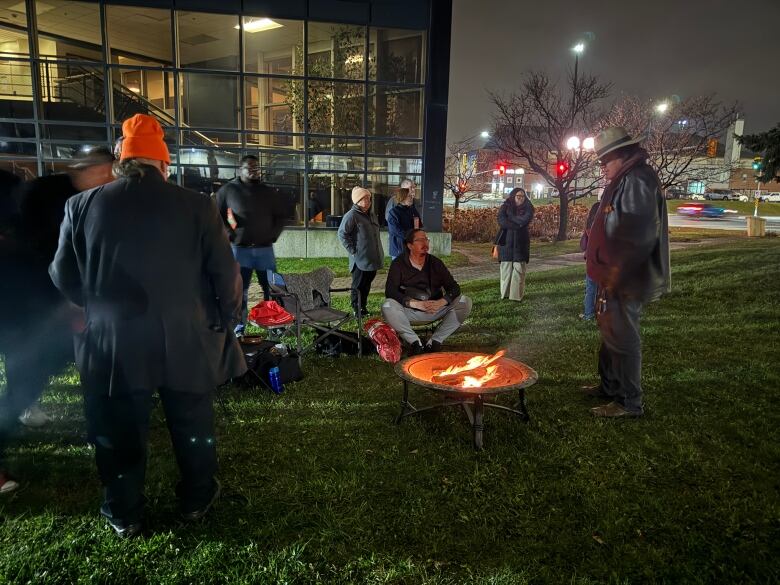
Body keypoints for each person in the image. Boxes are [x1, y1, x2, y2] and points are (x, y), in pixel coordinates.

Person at [49, 114, 246, 537]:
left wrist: (92, 306)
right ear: (164, 163)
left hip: (113, 343)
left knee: (119, 430)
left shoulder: (81, 205)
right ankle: (196, 498)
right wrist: (226, 319)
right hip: (186, 339)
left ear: (122, 160)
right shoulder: (197, 205)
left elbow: (62, 273)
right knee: (192, 425)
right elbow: (226, 276)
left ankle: (125, 512)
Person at [584, 127, 670, 418]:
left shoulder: (636, 180)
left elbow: (636, 236)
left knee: (623, 337)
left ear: (621, 156)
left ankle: (629, 402)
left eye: (606, 160)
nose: (603, 166)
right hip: (613, 274)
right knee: (610, 335)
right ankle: (609, 387)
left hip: (625, 277)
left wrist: (616, 275)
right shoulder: (625, 178)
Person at [215, 155, 287, 335]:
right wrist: (230, 233)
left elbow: (282, 215)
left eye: (257, 168)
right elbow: (216, 213)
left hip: (265, 250)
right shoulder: (228, 190)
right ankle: (239, 326)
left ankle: (275, 324)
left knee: (273, 288)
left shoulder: (268, 191)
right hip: (240, 251)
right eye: (250, 168)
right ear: (241, 169)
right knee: (240, 291)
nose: (254, 171)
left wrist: (273, 235)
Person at [382, 228, 473, 354]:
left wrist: (442, 302)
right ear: (409, 245)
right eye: (420, 240)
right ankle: (415, 342)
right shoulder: (398, 264)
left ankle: (435, 341)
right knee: (387, 305)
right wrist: (414, 303)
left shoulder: (435, 263)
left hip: (435, 309)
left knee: (465, 301)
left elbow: (454, 287)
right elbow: (390, 291)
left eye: (426, 239)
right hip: (409, 311)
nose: (425, 243)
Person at [338, 186, 384, 317]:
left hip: (372, 258)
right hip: (360, 259)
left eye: (369, 199)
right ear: (357, 201)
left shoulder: (371, 215)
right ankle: (356, 309)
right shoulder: (351, 215)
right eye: (365, 199)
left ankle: (363, 307)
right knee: (358, 285)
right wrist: (352, 250)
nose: (369, 201)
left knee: (367, 284)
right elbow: (342, 234)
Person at [497, 187, 535, 302]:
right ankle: (505, 294)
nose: (520, 198)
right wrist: (516, 225)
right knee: (506, 270)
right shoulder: (505, 206)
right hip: (506, 244)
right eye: (518, 196)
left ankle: (516, 296)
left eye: (522, 196)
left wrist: (511, 217)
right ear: (513, 196)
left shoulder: (529, 208)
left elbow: (524, 220)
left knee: (519, 271)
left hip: (521, 244)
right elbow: (501, 221)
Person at [387, 184, 422, 260]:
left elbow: (418, 225)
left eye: (411, 196)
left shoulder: (412, 210)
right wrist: (412, 237)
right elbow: (396, 231)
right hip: (399, 249)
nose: (411, 198)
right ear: (403, 198)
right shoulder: (393, 212)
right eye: (409, 196)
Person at [579, 198, 601, 321]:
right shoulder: (604, 225)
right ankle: (601, 312)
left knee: (590, 288)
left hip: (591, 260)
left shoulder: (589, 226)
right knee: (602, 288)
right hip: (602, 259)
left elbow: (583, 245)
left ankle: (588, 314)